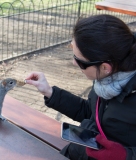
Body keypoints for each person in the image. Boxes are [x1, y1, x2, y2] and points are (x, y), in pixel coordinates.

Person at [25, 14, 136, 160]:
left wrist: (124, 156)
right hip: (78, 153)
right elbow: (91, 112)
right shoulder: (106, 79)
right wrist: (50, 92)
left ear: (105, 67)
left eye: (80, 60)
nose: (73, 63)